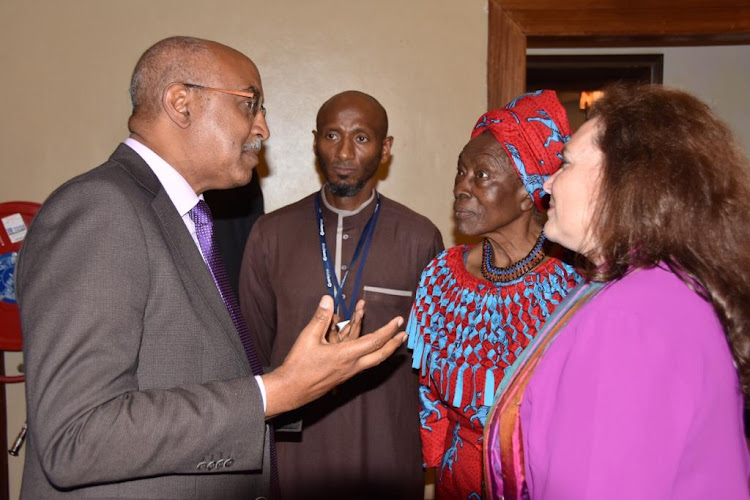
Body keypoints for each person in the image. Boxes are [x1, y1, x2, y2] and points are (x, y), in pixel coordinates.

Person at [17, 36, 408, 500]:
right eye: (249, 104)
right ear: (181, 103)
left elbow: (189, 372)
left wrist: (310, 377)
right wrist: (273, 392)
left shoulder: (184, 219)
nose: (263, 126)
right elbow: (77, 437)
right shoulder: (100, 210)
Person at [483, 84, 750, 499]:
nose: (548, 184)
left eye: (566, 164)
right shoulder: (662, 287)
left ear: (623, 180)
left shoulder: (632, 315)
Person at [239, 90, 444, 499]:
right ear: (315, 141)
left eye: (362, 138)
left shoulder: (420, 237)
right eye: (332, 136)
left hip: (387, 452)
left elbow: (433, 362)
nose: (345, 152)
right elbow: (251, 349)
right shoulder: (270, 234)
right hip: (295, 454)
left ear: (385, 149)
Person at [406, 90, 582, 499]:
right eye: (460, 172)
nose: (461, 188)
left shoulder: (576, 285)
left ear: (528, 193)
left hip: (545, 480)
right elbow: (430, 394)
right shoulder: (440, 276)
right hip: (460, 475)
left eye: (481, 175)